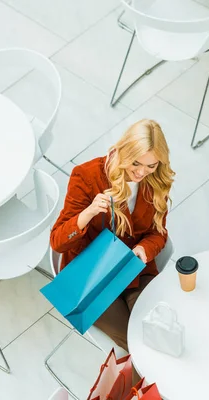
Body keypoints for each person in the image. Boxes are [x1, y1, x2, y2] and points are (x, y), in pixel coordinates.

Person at [50, 119, 175, 353]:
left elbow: (158, 234)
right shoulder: (87, 176)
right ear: (123, 151)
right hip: (91, 274)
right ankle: (145, 389)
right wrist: (87, 214)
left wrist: (143, 250)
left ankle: (144, 389)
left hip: (135, 269)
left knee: (157, 335)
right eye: (136, 163)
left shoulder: (156, 181)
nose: (141, 173)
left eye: (151, 166)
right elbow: (57, 241)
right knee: (138, 343)